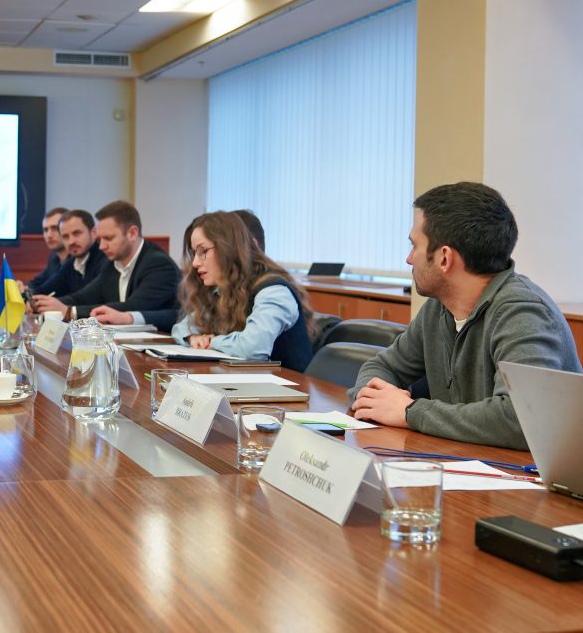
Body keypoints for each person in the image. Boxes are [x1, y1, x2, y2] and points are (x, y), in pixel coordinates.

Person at [348, 182, 581, 450]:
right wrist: (372, 401)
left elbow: (521, 420)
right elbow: (382, 367)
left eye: (414, 246)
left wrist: (410, 412)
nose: (409, 259)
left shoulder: (523, 313)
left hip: (519, 472)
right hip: (462, 460)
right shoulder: (439, 307)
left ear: (444, 258)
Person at [168, 211, 314, 371]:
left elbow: (253, 348)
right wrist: (193, 337)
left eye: (203, 251)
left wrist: (212, 341)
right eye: (194, 253)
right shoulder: (225, 289)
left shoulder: (274, 291)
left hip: (288, 384)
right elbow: (181, 328)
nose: (195, 263)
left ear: (229, 249)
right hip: (246, 379)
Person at [33, 201, 180, 328]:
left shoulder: (159, 264)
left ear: (133, 233)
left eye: (108, 238)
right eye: (100, 239)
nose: (102, 246)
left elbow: (133, 307)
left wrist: (70, 312)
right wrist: (50, 305)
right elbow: (84, 297)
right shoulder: (113, 264)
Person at [31, 209, 107, 297]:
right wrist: (28, 294)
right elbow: (45, 289)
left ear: (93, 232)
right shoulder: (72, 261)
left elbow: (86, 297)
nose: (71, 241)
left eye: (77, 233)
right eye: (65, 236)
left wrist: (56, 302)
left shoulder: (104, 259)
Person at [25, 207, 69, 291]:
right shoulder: (54, 257)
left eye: (55, 228)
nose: (49, 235)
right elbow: (38, 282)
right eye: (45, 230)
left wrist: (28, 291)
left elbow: (48, 288)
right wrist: (23, 287)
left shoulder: (76, 260)